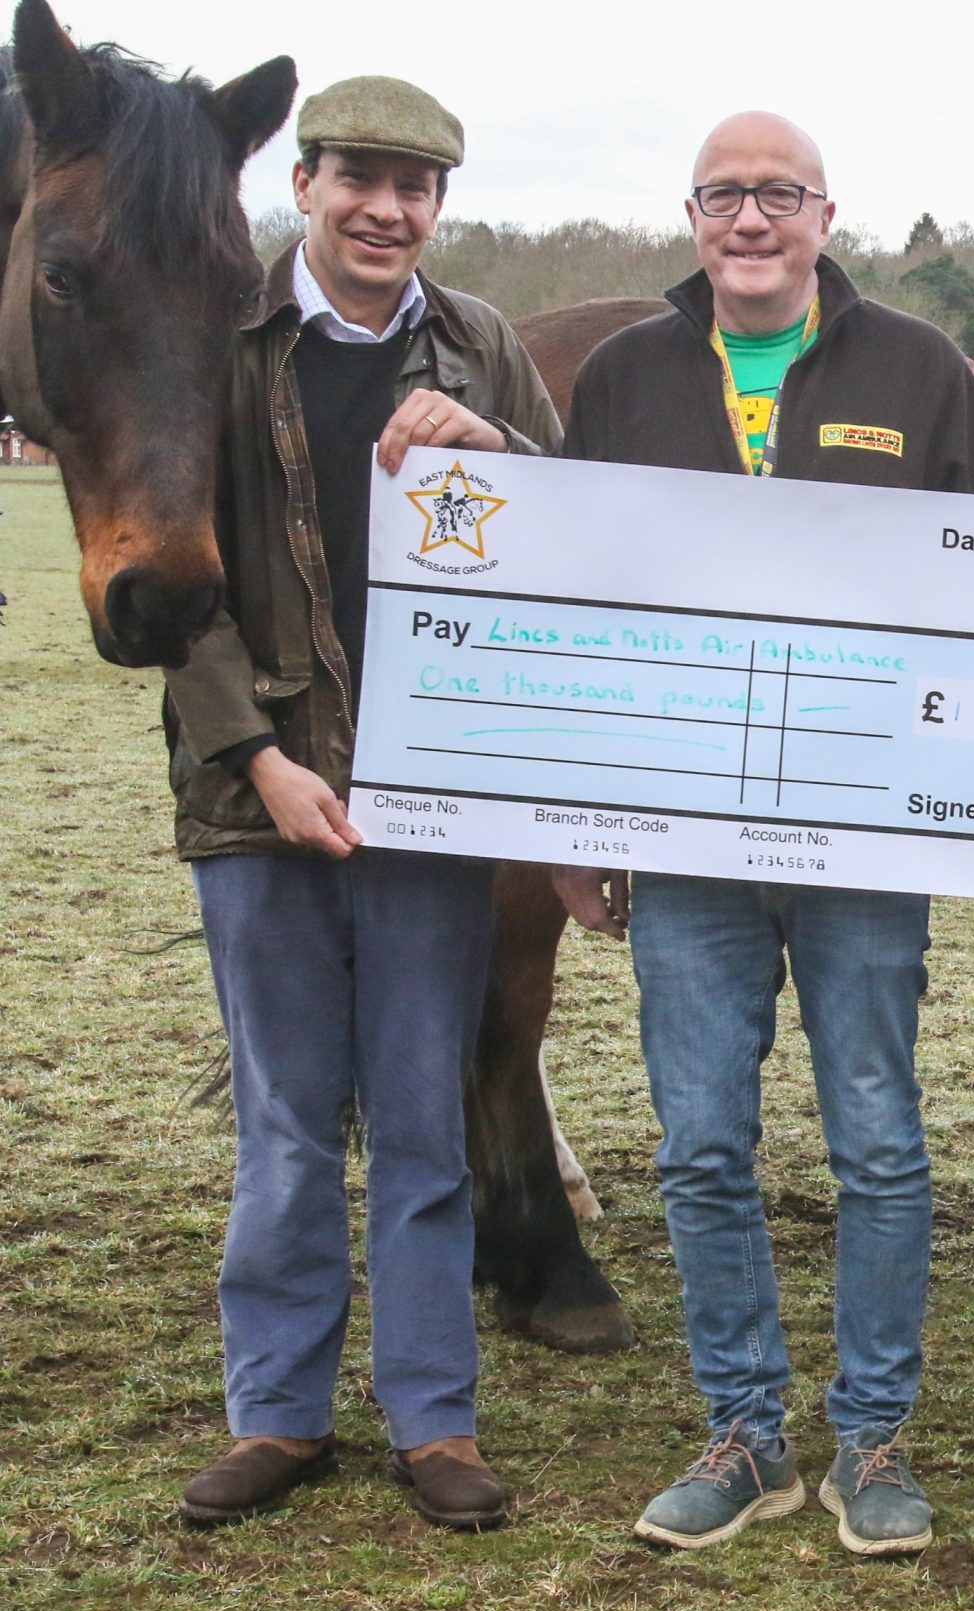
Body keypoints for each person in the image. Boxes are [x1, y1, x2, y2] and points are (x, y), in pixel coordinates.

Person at [552, 113, 974, 1559]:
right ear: (690, 214)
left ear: (823, 213)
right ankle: (743, 1435)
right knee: (702, 1146)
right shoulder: (623, 378)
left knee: (879, 1143)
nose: (750, 218)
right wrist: (569, 826)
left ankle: (874, 1439)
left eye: (777, 195)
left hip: (863, 842)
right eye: (726, 195)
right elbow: (567, 604)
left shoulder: (912, 367)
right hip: (685, 843)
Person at [159, 77, 561, 1531]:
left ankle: (433, 1421)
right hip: (253, 798)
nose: (389, 210)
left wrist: (505, 456)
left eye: (419, 188)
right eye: (362, 181)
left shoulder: (485, 344)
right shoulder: (214, 339)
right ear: (306, 184)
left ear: (441, 207)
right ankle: (275, 1415)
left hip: (430, 810)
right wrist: (259, 760)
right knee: (282, 1125)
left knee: (421, 1120)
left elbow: (570, 542)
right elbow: (171, 569)